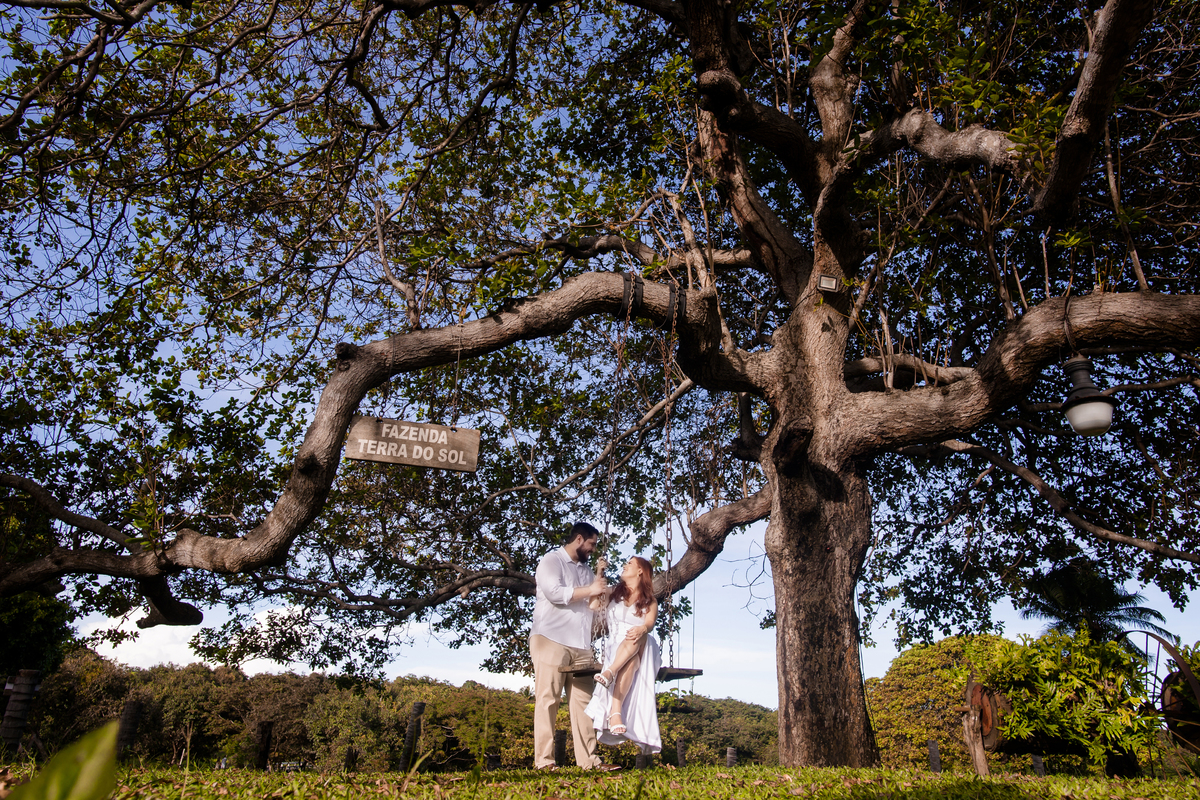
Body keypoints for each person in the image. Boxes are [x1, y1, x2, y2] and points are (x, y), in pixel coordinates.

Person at [530, 522, 617, 771]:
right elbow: (554, 592)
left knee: (584, 702)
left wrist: (608, 590)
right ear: (579, 539)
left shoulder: (586, 571)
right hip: (550, 638)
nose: (592, 549)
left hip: (580, 644)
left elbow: (593, 602)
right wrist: (591, 589)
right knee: (548, 699)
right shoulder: (551, 561)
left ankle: (589, 761)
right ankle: (544, 761)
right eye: (591, 544)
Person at [585, 556, 662, 756]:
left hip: (643, 643)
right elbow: (593, 605)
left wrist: (642, 629)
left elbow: (650, 623)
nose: (624, 565)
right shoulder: (613, 592)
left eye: (629, 563)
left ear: (639, 571)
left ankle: (610, 673)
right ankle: (615, 713)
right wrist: (599, 573)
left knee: (637, 636)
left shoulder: (650, 600)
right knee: (631, 659)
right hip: (617, 646)